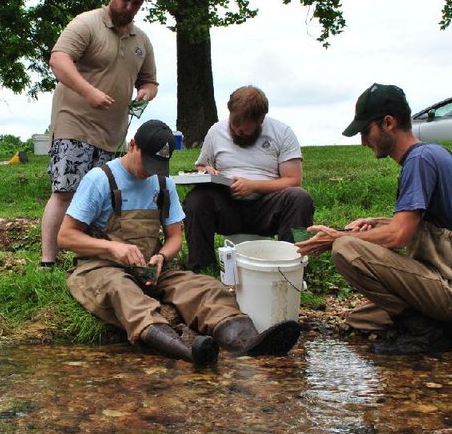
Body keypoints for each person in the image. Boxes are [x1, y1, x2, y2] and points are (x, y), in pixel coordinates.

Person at [57, 119, 301, 365]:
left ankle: (246, 343)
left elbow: (174, 237)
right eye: (147, 162)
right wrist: (113, 247)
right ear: (133, 146)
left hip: (152, 269)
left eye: (157, 166)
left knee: (206, 287)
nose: (150, 171)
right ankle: (186, 352)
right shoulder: (100, 179)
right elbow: (66, 236)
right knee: (123, 291)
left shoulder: (163, 183)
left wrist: (162, 257)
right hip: (102, 268)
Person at [296, 83, 452, 355]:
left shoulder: (419, 161)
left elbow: (399, 237)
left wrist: (338, 237)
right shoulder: (433, 154)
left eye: (365, 131)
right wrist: (375, 223)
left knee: (345, 250)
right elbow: (424, 225)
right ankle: (451, 325)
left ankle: (427, 333)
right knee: (361, 319)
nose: (362, 141)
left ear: (388, 123)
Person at [39, 0, 159, 269]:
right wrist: (89, 92)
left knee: (102, 197)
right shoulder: (86, 23)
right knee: (66, 192)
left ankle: (92, 256)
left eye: (137, 4)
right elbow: (58, 59)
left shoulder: (141, 40)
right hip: (74, 123)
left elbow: (150, 81)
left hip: (113, 133)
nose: (130, 8)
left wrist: (145, 92)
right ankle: (48, 260)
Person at [183, 85, 314, 272]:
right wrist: (207, 170)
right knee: (197, 200)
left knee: (299, 198)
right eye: (233, 126)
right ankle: (201, 270)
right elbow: (202, 165)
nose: (237, 131)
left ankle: (294, 267)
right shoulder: (216, 131)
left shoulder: (282, 133)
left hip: (266, 208)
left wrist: (253, 186)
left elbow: (293, 180)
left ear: (260, 120)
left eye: (244, 130)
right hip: (228, 206)